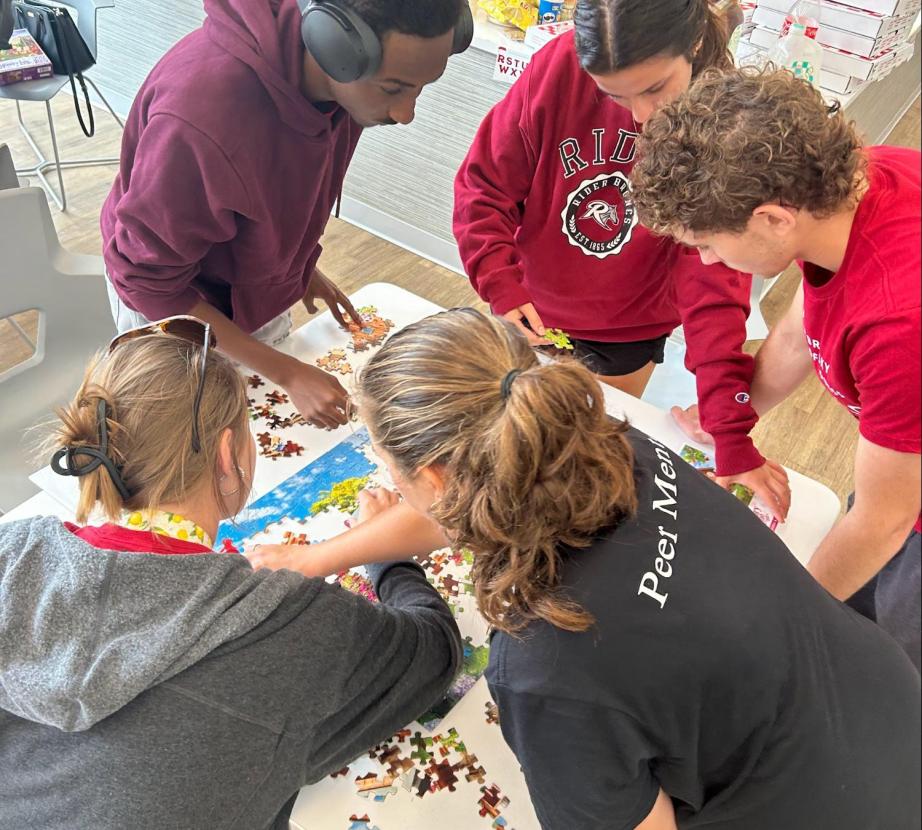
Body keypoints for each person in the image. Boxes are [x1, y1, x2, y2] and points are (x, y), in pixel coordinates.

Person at [250, 308, 920, 830]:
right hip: (887, 713)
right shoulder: (609, 443)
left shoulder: (548, 672)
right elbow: (476, 492)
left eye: (384, 460)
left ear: (429, 476)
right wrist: (335, 554)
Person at [0, 319, 461, 830]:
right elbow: (433, 652)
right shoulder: (294, 624)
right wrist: (383, 553)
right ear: (227, 454)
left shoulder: (12, 548)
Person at [630, 66, 921, 671]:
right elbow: (801, 329)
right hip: (899, 479)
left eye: (708, 241)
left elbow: (884, 520)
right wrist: (735, 422)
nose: (706, 258)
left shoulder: (900, 326)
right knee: (857, 597)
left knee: (900, 641)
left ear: (773, 218)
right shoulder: (862, 181)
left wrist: (779, 623)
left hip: (904, 511)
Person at [452, 0, 792, 519]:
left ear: (695, 45)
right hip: (531, 309)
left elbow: (714, 281)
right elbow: (485, 185)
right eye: (611, 93)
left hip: (628, 327)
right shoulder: (557, 68)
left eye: (655, 88)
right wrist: (499, 280)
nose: (639, 115)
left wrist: (728, 422)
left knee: (580, 459)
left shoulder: (724, 125)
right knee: (514, 448)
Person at [101, 0, 472, 430]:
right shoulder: (200, 117)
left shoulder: (341, 90)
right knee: (185, 443)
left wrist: (295, 268)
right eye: (393, 89)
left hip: (247, 293)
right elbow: (147, 281)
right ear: (333, 45)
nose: (405, 114)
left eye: (419, 88)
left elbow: (272, 194)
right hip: (174, 308)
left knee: (251, 434)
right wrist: (286, 372)